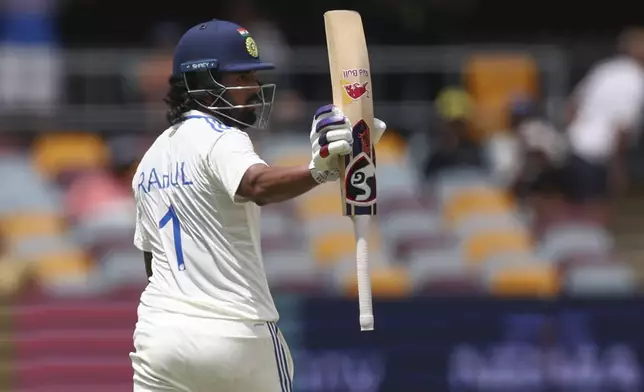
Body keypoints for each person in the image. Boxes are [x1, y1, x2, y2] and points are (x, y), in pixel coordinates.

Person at [128, 19, 387, 392]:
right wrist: (319, 171)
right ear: (201, 83)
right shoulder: (221, 137)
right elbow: (256, 185)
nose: (254, 88)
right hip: (236, 334)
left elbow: (153, 266)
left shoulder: (149, 161)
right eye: (240, 78)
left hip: (160, 338)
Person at [563, 27, 644, 225]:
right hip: (599, 157)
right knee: (595, 219)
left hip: (574, 148)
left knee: (575, 215)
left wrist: (571, 134)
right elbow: (621, 129)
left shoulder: (605, 69)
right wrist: (618, 169)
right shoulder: (635, 81)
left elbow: (572, 106)